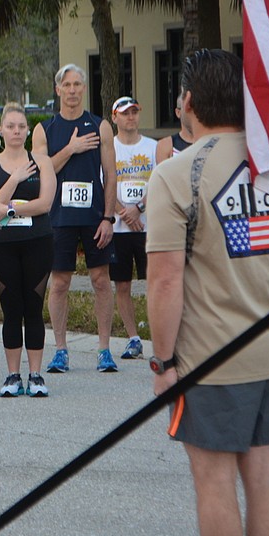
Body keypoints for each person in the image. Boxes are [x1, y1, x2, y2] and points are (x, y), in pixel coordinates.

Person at [146, 49, 269, 536]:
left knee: (214, 480)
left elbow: (165, 279)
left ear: (188, 101)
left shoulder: (175, 173)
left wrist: (163, 361)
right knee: (264, 473)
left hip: (210, 359)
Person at [31, 64, 118, 373]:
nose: (72, 90)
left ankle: (104, 349)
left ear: (84, 88)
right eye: (66, 85)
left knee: (100, 280)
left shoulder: (101, 126)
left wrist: (109, 217)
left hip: (95, 217)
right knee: (60, 283)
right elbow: (41, 170)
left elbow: (110, 174)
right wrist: (71, 148)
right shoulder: (44, 129)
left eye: (77, 84)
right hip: (59, 218)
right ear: (58, 90)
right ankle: (61, 350)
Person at [0, 102, 56, 397]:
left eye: (22, 126)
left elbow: (45, 204)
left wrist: (7, 209)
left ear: (27, 130)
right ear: (0, 130)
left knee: (33, 308)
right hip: (1, 247)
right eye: (10, 126)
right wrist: (15, 178)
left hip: (37, 242)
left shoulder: (42, 162)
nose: (16, 131)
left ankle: (36, 375)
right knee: (11, 310)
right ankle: (13, 375)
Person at [109, 96, 157, 360]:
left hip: (149, 227)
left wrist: (138, 208)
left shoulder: (153, 147)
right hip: (119, 230)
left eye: (135, 112)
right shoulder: (109, 148)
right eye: (125, 113)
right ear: (114, 117)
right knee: (123, 285)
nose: (131, 117)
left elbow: (160, 181)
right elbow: (106, 185)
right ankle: (133, 338)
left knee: (155, 284)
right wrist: (124, 213)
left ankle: (161, 337)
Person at [155, 95, 194, 164]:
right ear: (178, 113)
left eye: (196, 109)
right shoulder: (165, 145)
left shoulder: (210, 142)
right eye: (188, 109)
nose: (193, 113)